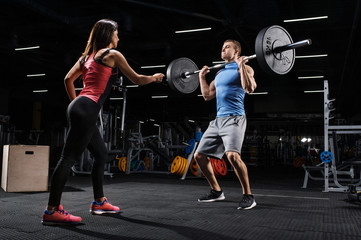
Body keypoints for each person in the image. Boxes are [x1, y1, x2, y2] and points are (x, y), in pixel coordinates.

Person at [42, 19, 164, 225]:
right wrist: (154, 77)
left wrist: (77, 104)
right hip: (86, 108)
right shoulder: (112, 55)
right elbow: (137, 79)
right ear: (108, 35)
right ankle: (52, 210)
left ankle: (99, 202)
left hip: (81, 106)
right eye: (116, 33)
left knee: (101, 154)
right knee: (68, 159)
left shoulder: (86, 58)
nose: (118, 37)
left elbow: (67, 80)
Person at [194, 39, 257, 210]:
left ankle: (248, 195)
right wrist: (201, 77)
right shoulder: (220, 73)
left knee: (232, 156)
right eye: (222, 47)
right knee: (199, 156)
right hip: (218, 120)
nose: (223, 49)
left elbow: (250, 88)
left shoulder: (244, 67)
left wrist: (242, 66)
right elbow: (207, 95)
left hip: (235, 118)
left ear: (236, 52)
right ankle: (216, 191)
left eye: (227, 47)